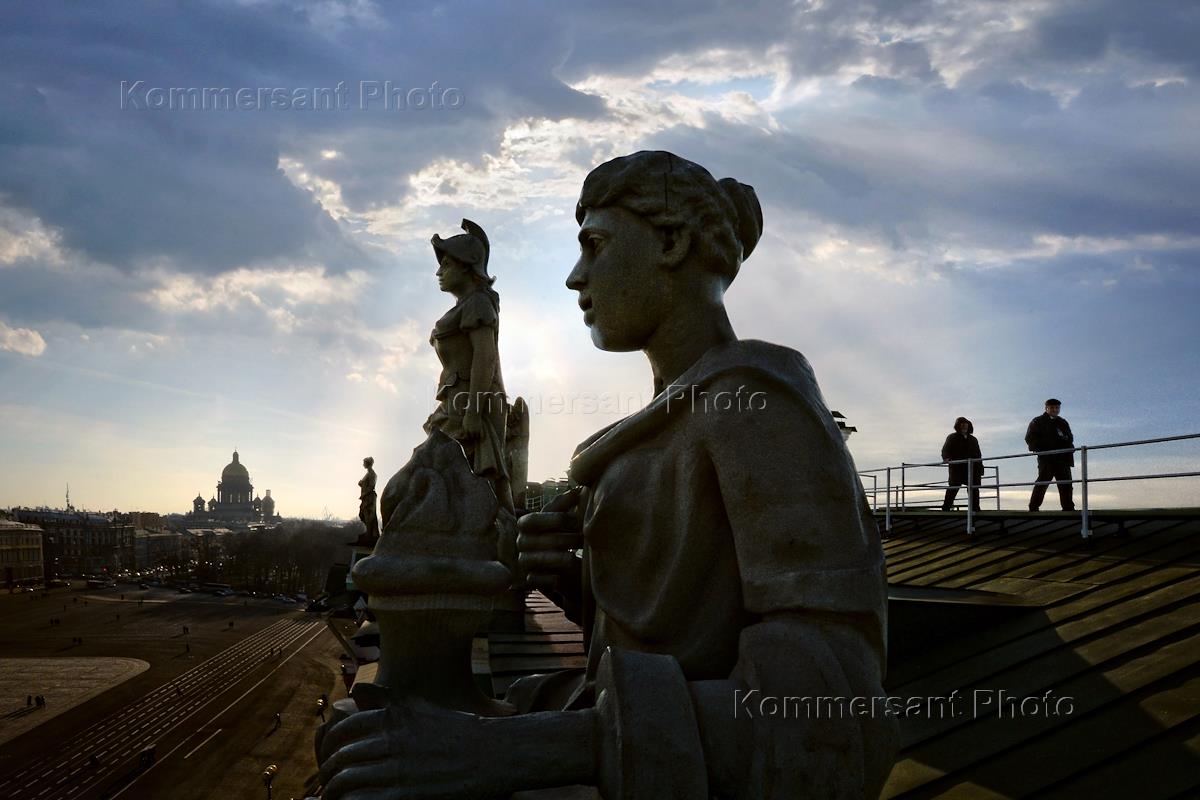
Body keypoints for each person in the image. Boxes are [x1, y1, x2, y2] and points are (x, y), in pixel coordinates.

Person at [318, 152, 895, 798]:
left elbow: (831, 717)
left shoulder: (759, 410)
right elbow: (678, 645)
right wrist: (577, 581)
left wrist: (506, 750)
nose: (574, 277)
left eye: (594, 246)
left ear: (671, 243)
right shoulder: (669, 424)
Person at [423, 219, 513, 510]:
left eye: (446, 263)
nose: (439, 271)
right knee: (451, 474)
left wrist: (474, 413)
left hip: (471, 404)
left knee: (476, 477)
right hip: (458, 401)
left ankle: (498, 537)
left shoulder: (477, 304)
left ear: (466, 265)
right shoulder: (466, 306)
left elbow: (485, 359)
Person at [1026, 398, 1076, 511]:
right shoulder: (1037, 421)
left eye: (1057, 408)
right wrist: (1043, 449)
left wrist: (1068, 447)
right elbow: (1030, 438)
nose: (1055, 410)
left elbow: (1070, 438)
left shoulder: (1063, 422)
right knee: (1042, 483)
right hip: (1047, 458)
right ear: (1046, 408)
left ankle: (1068, 508)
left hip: (1063, 459)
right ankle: (1033, 507)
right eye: (1052, 407)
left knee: (1066, 484)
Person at [941, 417, 982, 511]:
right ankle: (946, 508)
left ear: (969, 426)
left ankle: (975, 508)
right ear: (958, 426)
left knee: (973, 488)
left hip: (972, 468)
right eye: (962, 424)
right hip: (957, 467)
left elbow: (978, 454)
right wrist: (946, 458)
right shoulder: (952, 437)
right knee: (953, 487)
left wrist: (980, 468)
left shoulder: (973, 440)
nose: (964, 426)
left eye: (965, 424)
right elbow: (945, 450)